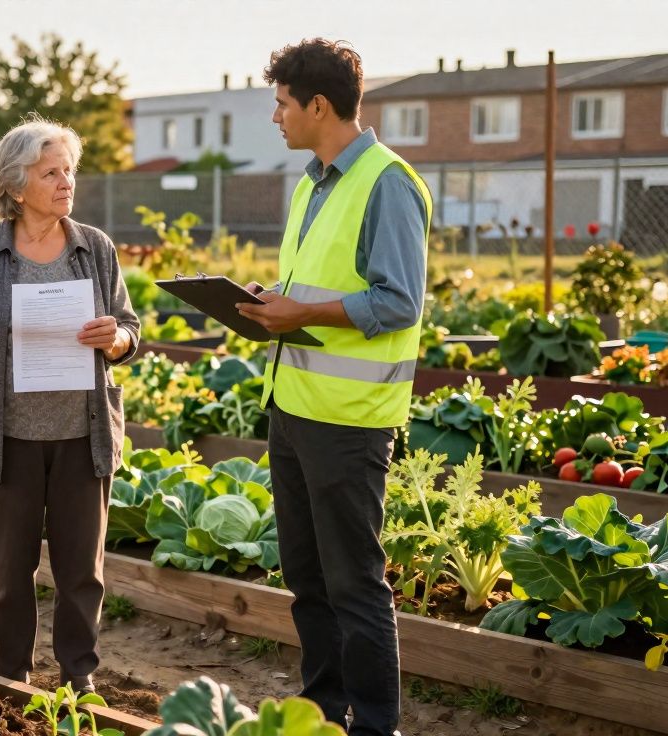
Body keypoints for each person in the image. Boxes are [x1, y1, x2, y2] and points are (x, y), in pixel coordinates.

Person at [235, 39, 430, 736]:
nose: (276, 116)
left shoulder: (388, 183)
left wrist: (304, 310)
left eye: (282, 103)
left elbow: (399, 301)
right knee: (308, 584)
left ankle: (375, 727)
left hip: (349, 421)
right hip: (292, 407)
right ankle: (321, 717)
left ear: (319, 105)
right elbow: (321, 284)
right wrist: (271, 301)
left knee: (355, 587)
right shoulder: (313, 181)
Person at [0, 116, 140, 693]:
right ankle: (12, 676)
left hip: (81, 434)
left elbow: (129, 329)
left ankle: (78, 678)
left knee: (81, 574)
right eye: (51, 172)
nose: (66, 181)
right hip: (7, 438)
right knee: (8, 574)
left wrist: (113, 338)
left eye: (69, 170)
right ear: (16, 187)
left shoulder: (94, 248)